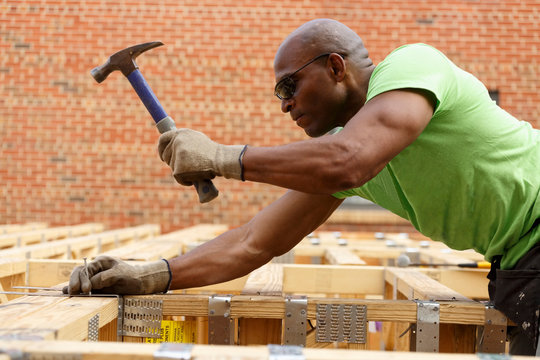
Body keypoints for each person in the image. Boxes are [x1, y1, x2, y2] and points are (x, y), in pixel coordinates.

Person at [65, 19, 540, 355]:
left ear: (336, 67)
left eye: (288, 86)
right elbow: (253, 242)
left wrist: (221, 156)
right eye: (280, 93)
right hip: (520, 264)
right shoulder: (341, 151)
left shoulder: (412, 67)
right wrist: (153, 274)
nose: (284, 105)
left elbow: (348, 162)